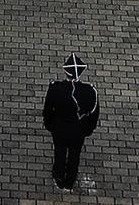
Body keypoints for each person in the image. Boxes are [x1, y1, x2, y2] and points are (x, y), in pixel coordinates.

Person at [43, 54, 100, 192]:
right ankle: (70, 179)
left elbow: (48, 110)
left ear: (66, 72)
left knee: (60, 151)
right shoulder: (90, 92)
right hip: (78, 131)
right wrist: (88, 130)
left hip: (59, 128)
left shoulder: (55, 88)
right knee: (75, 154)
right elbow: (94, 114)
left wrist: (50, 125)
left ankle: (59, 175)